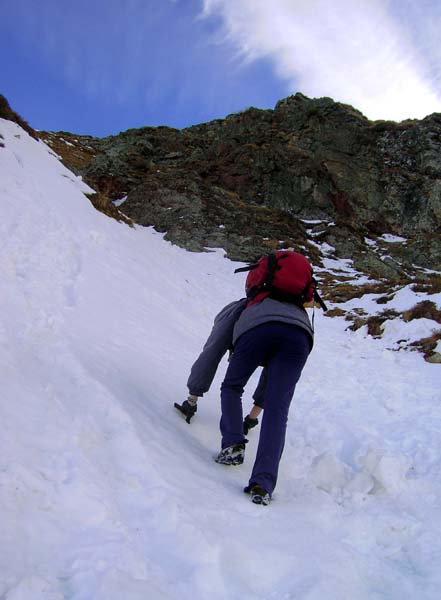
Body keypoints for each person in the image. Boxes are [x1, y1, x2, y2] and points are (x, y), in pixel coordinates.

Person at [214, 294, 314, 506]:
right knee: (277, 410)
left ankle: (232, 444)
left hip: (257, 329)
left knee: (232, 387)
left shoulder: (255, 300)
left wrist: (194, 392)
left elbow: (214, 349)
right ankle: (263, 483)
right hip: (299, 336)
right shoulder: (298, 306)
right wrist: (253, 415)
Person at [175, 298, 267, 431]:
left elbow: (251, 286)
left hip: (249, 309)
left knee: (214, 348)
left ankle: (191, 402)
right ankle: (251, 419)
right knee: (275, 371)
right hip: (290, 324)